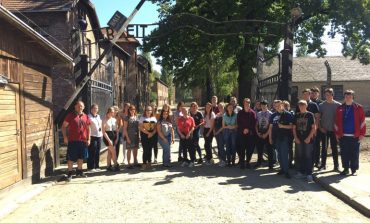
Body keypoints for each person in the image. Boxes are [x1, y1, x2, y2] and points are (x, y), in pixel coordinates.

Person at [334, 90, 366, 176]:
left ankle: (354, 170)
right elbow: (336, 122)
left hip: (355, 136)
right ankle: (346, 169)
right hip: (343, 135)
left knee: (354, 153)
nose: (348, 98)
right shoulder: (340, 108)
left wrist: (362, 134)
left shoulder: (359, 108)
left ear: (353, 97)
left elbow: (363, 122)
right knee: (344, 153)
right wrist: (337, 133)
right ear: (344, 97)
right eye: (346, 96)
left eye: (350, 96)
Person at [62, 101, 91, 181]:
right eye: (78, 106)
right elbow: (63, 126)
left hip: (83, 140)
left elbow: (88, 128)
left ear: (83, 107)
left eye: (81, 106)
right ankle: (70, 173)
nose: (80, 107)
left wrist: (89, 139)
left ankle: (79, 172)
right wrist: (65, 137)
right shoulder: (70, 116)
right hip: (73, 140)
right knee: (71, 158)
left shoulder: (86, 116)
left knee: (81, 157)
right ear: (75, 107)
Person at [269, 100, 294, 179]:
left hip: (285, 137)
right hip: (276, 138)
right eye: (275, 106)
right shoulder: (273, 115)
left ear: (282, 105)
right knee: (279, 154)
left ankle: (286, 171)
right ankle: (282, 169)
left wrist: (283, 126)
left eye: (279, 105)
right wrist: (270, 138)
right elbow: (270, 128)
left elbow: (292, 126)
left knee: (284, 154)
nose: (277, 107)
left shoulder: (288, 114)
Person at [295, 89, 320, 169]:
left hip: (311, 131)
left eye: (307, 94)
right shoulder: (299, 104)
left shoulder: (314, 104)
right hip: (301, 132)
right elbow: (296, 118)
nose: (305, 96)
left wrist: (315, 129)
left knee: (310, 150)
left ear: (310, 94)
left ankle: (311, 166)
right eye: (304, 94)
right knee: (301, 151)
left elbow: (317, 117)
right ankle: (301, 167)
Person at [293, 100, 316, 182]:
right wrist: (295, 137)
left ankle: (309, 173)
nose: (301, 107)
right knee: (300, 156)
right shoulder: (297, 115)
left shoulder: (310, 115)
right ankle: (301, 172)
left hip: (308, 139)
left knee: (308, 156)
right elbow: (294, 128)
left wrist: (309, 137)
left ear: (306, 106)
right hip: (299, 139)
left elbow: (313, 128)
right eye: (300, 106)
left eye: (303, 105)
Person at [319, 88, 341, 171]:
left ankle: (336, 166)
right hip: (324, 130)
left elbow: (340, 119)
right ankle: (323, 165)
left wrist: (338, 130)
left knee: (334, 148)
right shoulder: (321, 105)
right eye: (326, 95)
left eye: (329, 94)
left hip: (334, 131)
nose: (327, 96)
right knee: (324, 148)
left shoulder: (338, 105)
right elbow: (318, 118)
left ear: (332, 95)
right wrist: (320, 128)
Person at [237, 98, 257, 169]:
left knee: (250, 149)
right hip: (242, 133)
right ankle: (242, 162)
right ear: (243, 103)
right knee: (242, 148)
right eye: (246, 103)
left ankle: (248, 162)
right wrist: (243, 129)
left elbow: (254, 123)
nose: (247, 104)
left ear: (250, 104)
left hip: (250, 134)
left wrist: (248, 129)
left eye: (248, 103)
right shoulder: (240, 113)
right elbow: (238, 122)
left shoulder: (253, 113)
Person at [255, 100, 274, 169]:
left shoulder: (270, 114)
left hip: (268, 133)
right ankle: (259, 162)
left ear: (267, 106)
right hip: (260, 132)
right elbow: (256, 124)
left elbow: (271, 126)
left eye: (264, 105)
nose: (263, 107)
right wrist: (257, 132)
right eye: (262, 105)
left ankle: (270, 164)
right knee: (259, 149)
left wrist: (266, 134)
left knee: (269, 149)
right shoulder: (258, 113)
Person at [139, 105, 157, 170]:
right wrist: (148, 133)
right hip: (144, 136)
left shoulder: (154, 118)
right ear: (145, 111)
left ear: (152, 111)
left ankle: (149, 164)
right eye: (147, 110)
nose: (148, 111)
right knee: (145, 150)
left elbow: (155, 128)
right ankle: (144, 164)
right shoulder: (142, 118)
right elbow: (141, 128)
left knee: (150, 150)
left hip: (152, 136)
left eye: (150, 110)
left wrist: (152, 133)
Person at [310, 87, 324, 169]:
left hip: (318, 127)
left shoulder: (321, 103)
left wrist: (319, 126)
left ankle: (317, 161)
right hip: (308, 128)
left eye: (315, 93)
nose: (314, 94)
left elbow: (321, 116)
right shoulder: (308, 102)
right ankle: (310, 160)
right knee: (310, 145)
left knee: (317, 145)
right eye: (312, 93)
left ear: (318, 94)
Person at [103, 107, 120, 172]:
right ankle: (116, 165)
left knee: (110, 152)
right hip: (107, 137)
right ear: (109, 112)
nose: (113, 113)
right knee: (113, 151)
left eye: (114, 112)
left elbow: (117, 130)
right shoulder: (104, 120)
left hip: (114, 136)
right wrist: (109, 140)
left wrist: (117, 137)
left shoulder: (114, 119)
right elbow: (104, 132)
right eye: (112, 112)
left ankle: (108, 166)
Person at [123, 105, 139, 169]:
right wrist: (127, 137)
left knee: (135, 148)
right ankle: (129, 163)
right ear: (129, 110)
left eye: (133, 109)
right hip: (129, 135)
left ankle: (135, 161)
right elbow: (124, 128)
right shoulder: (127, 118)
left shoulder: (136, 117)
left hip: (136, 135)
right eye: (131, 110)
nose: (132, 111)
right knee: (129, 149)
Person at [87, 104, 103, 171]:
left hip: (99, 135)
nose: (95, 110)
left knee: (97, 151)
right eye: (94, 108)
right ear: (91, 109)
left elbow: (100, 125)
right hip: (92, 136)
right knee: (92, 151)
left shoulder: (98, 116)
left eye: (96, 108)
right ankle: (91, 167)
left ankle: (97, 166)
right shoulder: (88, 116)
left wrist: (101, 133)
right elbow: (87, 127)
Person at [283, 100, 295, 168]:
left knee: (290, 149)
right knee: (284, 149)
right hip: (283, 134)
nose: (285, 107)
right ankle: (285, 162)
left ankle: (290, 162)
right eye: (284, 106)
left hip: (290, 134)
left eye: (286, 106)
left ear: (289, 107)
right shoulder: (282, 113)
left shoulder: (291, 113)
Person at [214, 102, 226, 167]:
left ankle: (224, 160)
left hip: (222, 132)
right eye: (219, 107)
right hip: (216, 132)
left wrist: (217, 132)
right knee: (218, 146)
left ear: (224, 107)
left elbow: (224, 126)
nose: (220, 108)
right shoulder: (217, 114)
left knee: (221, 146)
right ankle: (220, 159)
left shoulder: (225, 114)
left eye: (221, 106)